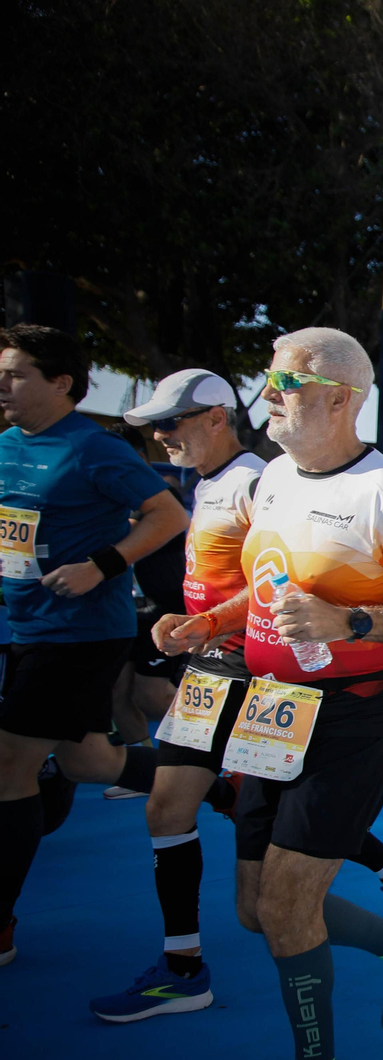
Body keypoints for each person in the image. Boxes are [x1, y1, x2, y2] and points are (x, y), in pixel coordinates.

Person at [155, 329, 383, 1053]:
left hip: (353, 718)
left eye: (285, 383)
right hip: (271, 709)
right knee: (255, 909)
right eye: (269, 379)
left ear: (338, 399)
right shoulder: (271, 477)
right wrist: (206, 622)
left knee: (291, 906)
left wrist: (352, 620)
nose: (268, 394)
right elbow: (264, 593)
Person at [92, 367, 383, 1022]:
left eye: (171, 422)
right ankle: (185, 963)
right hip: (211, 667)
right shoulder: (210, 482)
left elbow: (297, 584)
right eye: (154, 425)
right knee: (170, 809)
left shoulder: (259, 480)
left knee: (268, 842)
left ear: (217, 418)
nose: (160, 436)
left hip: (264, 676)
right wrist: (193, 624)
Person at [0, 324, 190, 968]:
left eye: (18, 373)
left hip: (79, 632)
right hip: (22, 626)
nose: (4, 384)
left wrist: (101, 566)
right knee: (85, 761)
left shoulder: (91, 449)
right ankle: (215, 792)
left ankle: (0, 923)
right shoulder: (4, 445)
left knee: (9, 765)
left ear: (61, 383)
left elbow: (169, 516)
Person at [103, 421, 193, 756]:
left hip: (162, 608)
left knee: (152, 694)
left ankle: (219, 751)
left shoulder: (160, 492)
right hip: (124, 609)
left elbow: (129, 533)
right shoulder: (108, 495)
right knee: (118, 693)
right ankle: (143, 770)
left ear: (137, 456)